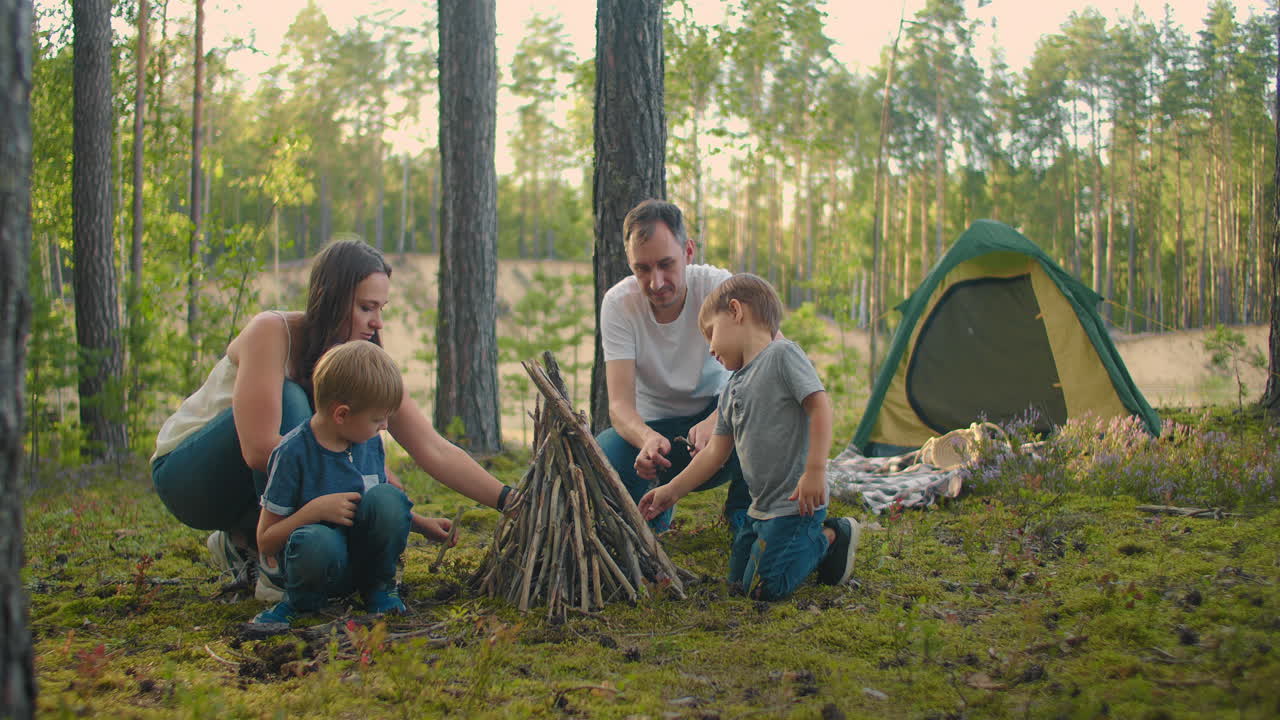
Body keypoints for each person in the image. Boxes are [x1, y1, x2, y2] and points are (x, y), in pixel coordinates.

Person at [151, 239, 517, 600]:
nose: (377, 322)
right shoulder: (273, 332)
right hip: (188, 478)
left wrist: (509, 500)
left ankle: (243, 541)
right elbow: (261, 450)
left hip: (253, 492)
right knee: (294, 400)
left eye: (381, 308)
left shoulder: (361, 363)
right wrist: (362, 473)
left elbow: (434, 449)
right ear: (332, 298)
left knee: (339, 454)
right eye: (365, 307)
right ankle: (276, 565)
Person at [638, 274, 860, 600]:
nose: (710, 348)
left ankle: (830, 536)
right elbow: (715, 453)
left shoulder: (782, 355)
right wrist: (671, 491)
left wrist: (815, 471)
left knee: (763, 588)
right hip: (760, 509)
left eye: (711, 334)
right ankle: (796, 549)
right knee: (739, 584)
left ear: (736, 311)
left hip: (797, 505)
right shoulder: (731, 391)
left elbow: (820, 407)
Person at [597, 199, 751, 533]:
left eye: (667, 264)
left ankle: (745, 514)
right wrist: (645, 438)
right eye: (642, 269)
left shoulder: (719, 288)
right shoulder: (618, 304)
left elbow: (774, 356)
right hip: (658, 432)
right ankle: (654, 509)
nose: (656, 282)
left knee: (766, 412)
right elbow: (620, 405)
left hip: (723, 427)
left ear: (689, 252)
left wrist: (719, 417)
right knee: (605, 453)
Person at [252, 341, 412, 625]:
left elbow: (376, 504)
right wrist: (312, 513)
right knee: (317, 540)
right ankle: (301, 604)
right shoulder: (293, 453)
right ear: (342, 414)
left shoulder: (368, 442)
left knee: (389, 497)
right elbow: (266, 541)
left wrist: (423, 524)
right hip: (319, 566)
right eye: (377, 419)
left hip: (363, 559)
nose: (385, 426)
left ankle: (379, 590)